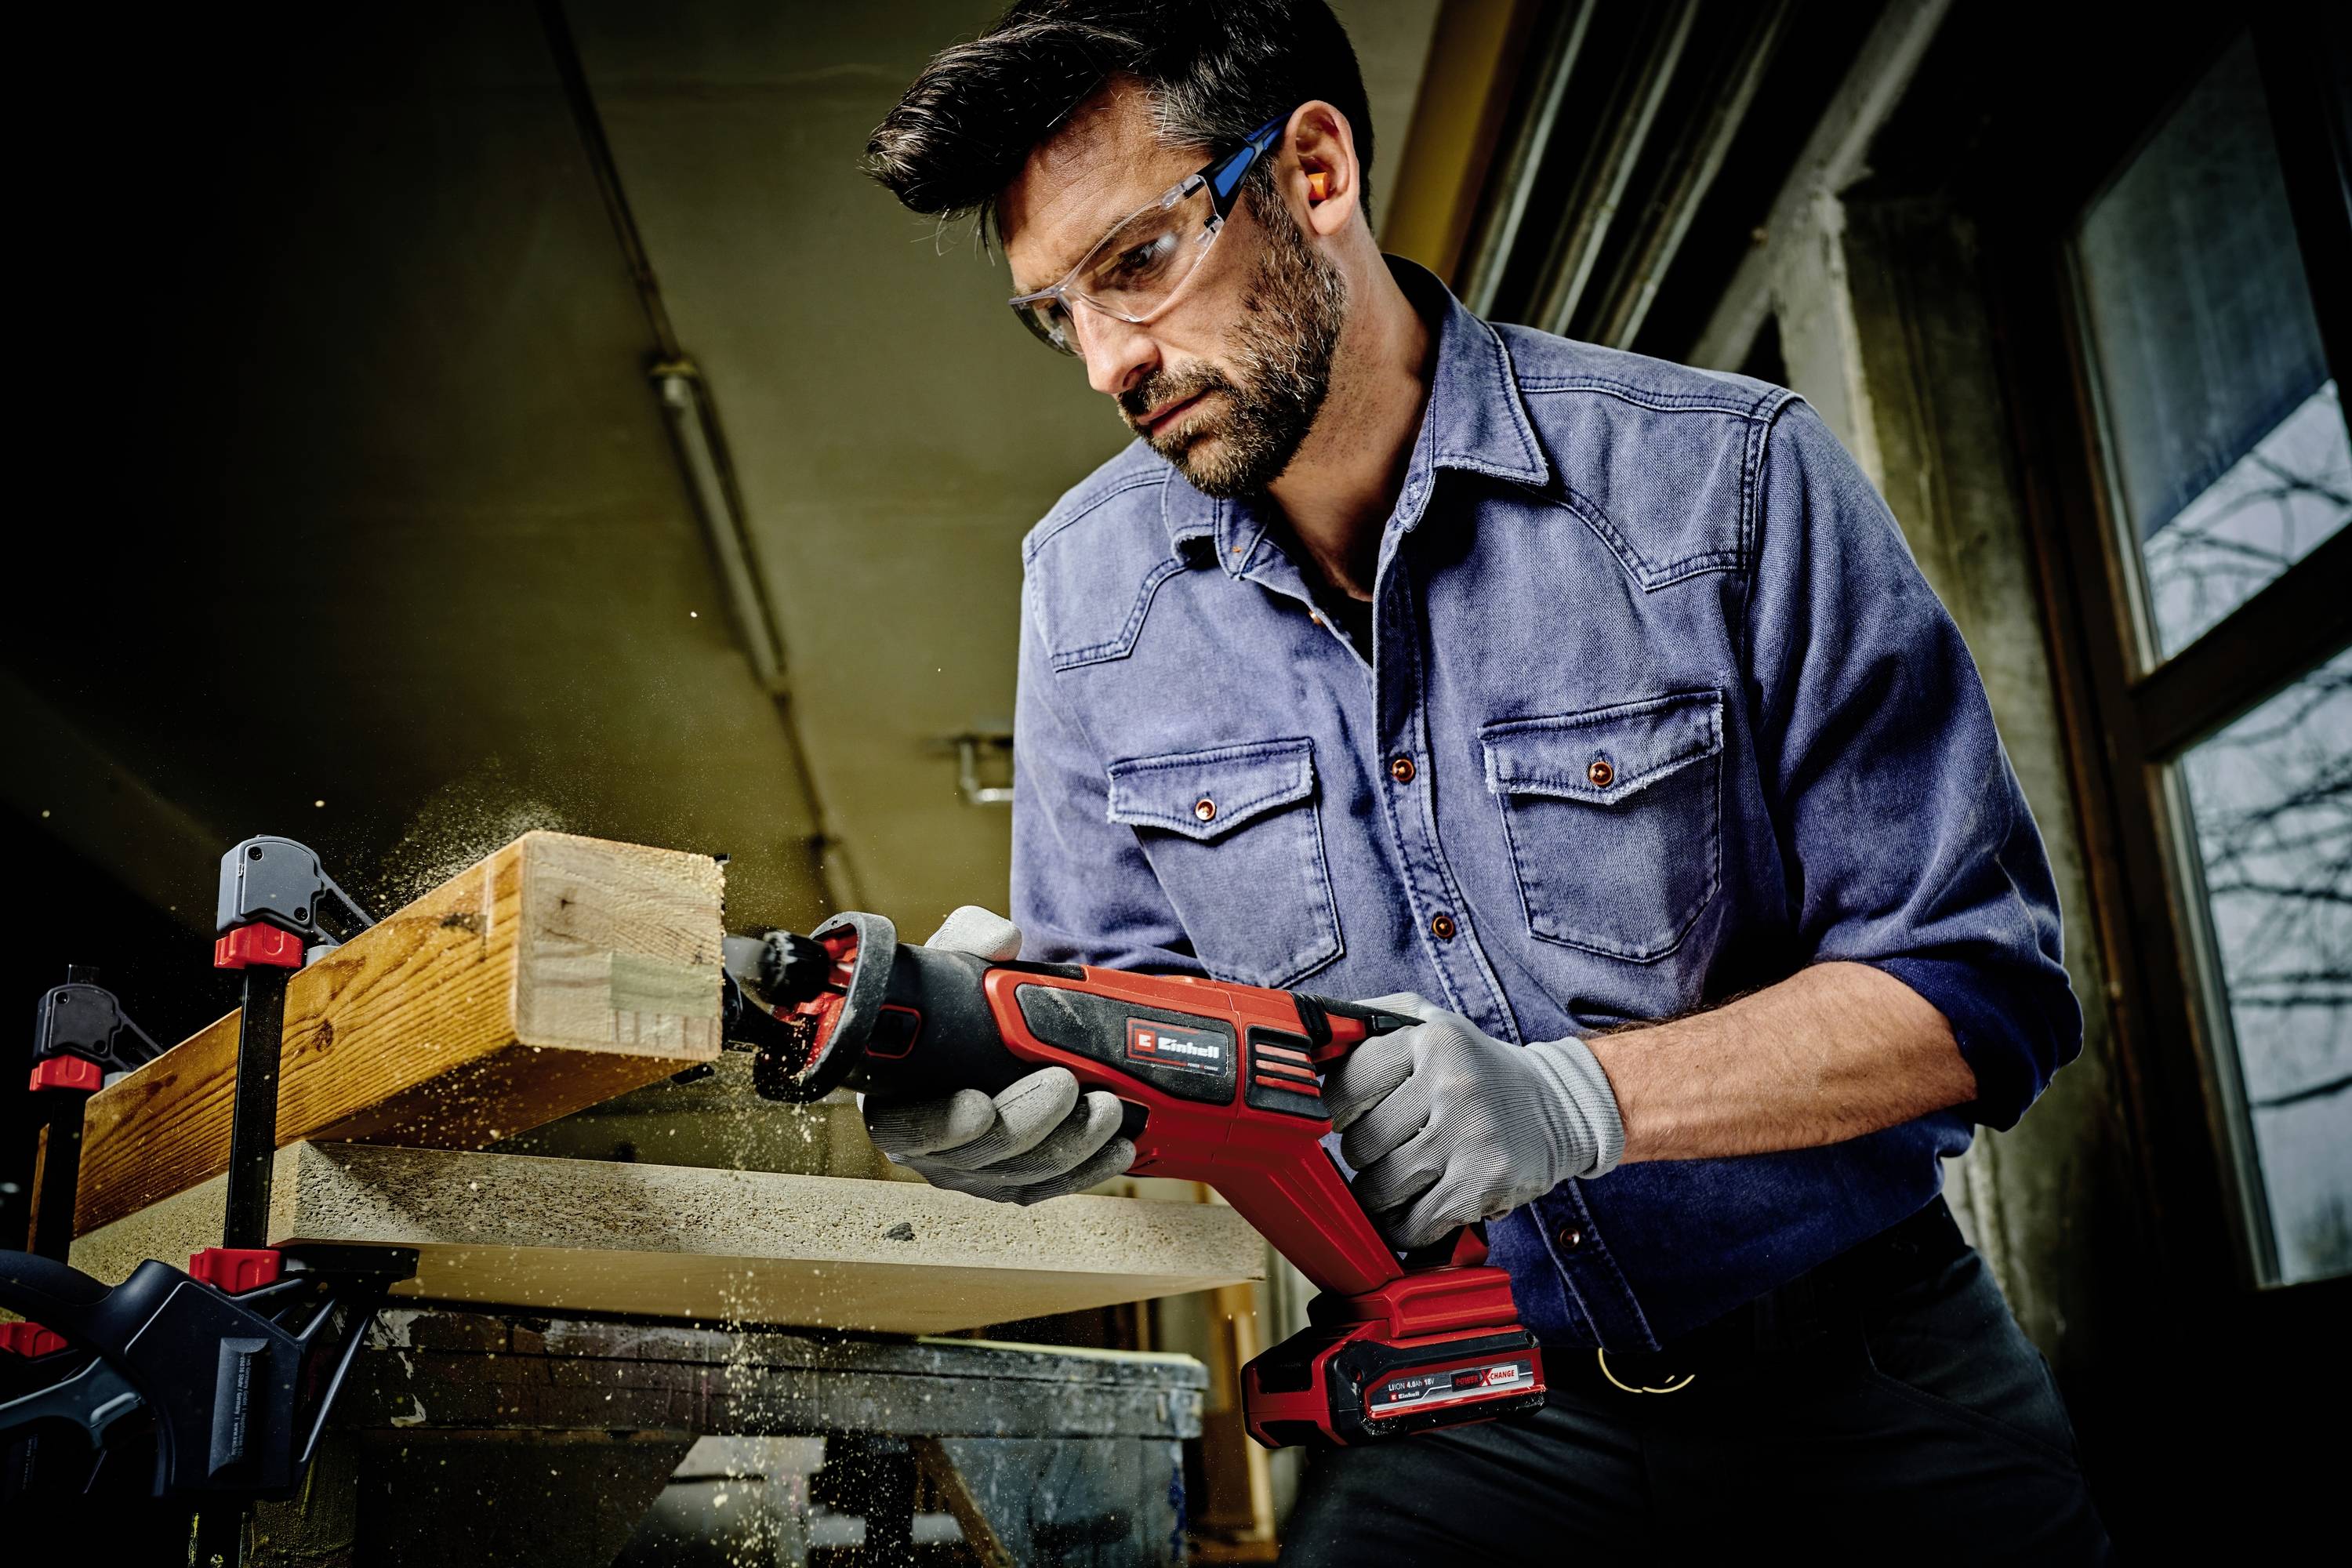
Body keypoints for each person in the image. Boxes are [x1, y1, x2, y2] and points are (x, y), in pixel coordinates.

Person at [855, 2, 2110, 1559]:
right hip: (1464, 1403)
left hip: (1866, 1375)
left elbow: (1978, 987)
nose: (1109, 360)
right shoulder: (1089, 601)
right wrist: (1009, 1082)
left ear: (1314, 170)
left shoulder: (1726, 479)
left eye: (1136, 263)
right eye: (1057, 311)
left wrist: (1582, 1098)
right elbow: (1153, 1027)